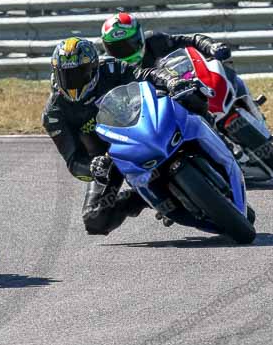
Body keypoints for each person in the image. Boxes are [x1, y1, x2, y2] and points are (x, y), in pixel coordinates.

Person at [42, 37, 206, 235]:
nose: (72, 81)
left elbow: (145, 74)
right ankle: (140, 198)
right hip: (110, 160)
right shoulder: (54, 114)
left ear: (93, 67)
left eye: (79, 73)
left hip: (144, 126)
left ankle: (219, 140)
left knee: (191, 97)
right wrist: (93, 167)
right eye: (66, 74)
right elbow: (73, 161)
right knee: (94, 219)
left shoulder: (110, 69)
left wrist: (171, 81)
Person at [99, 11, 245, 96]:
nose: (123, 52)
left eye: (127, 45)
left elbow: (191, 40)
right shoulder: (109, 70)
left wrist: (211, 46)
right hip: (153, 113)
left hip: (182, 88)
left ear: (140, 38)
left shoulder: (155, 41)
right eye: (116, 48)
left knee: (224, 78)